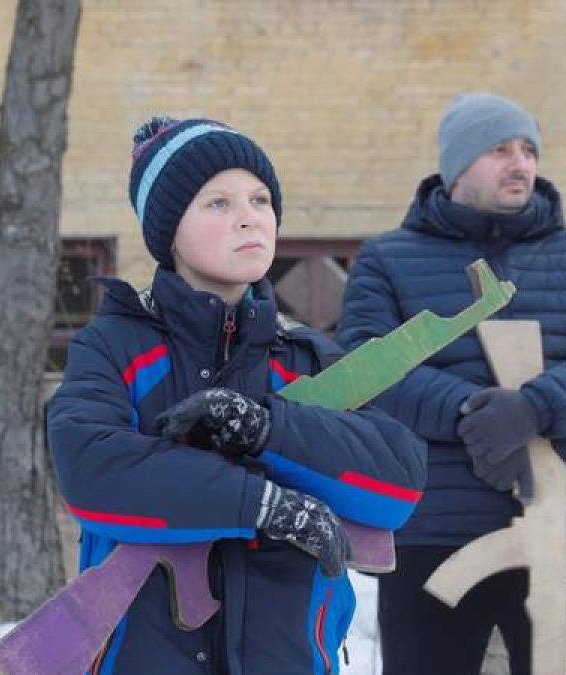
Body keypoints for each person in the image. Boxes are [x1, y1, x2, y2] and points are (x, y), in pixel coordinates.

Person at [48, 116, 428, 674]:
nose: (249, 217)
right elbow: (91, 469)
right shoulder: (115, 348)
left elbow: (397, 482)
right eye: (218, 203)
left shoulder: (305, 359)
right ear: (168, 230)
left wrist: (266, 430)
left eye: (260, 199)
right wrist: (263, 506)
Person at [336, 93, 566, 675]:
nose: (521, 163)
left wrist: (534, 409)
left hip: (565, 532)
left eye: (529, 149)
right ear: (457, 167)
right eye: (499, 149)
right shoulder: (387, 259)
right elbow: (365, 365)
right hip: (434, 531)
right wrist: (469, 415)